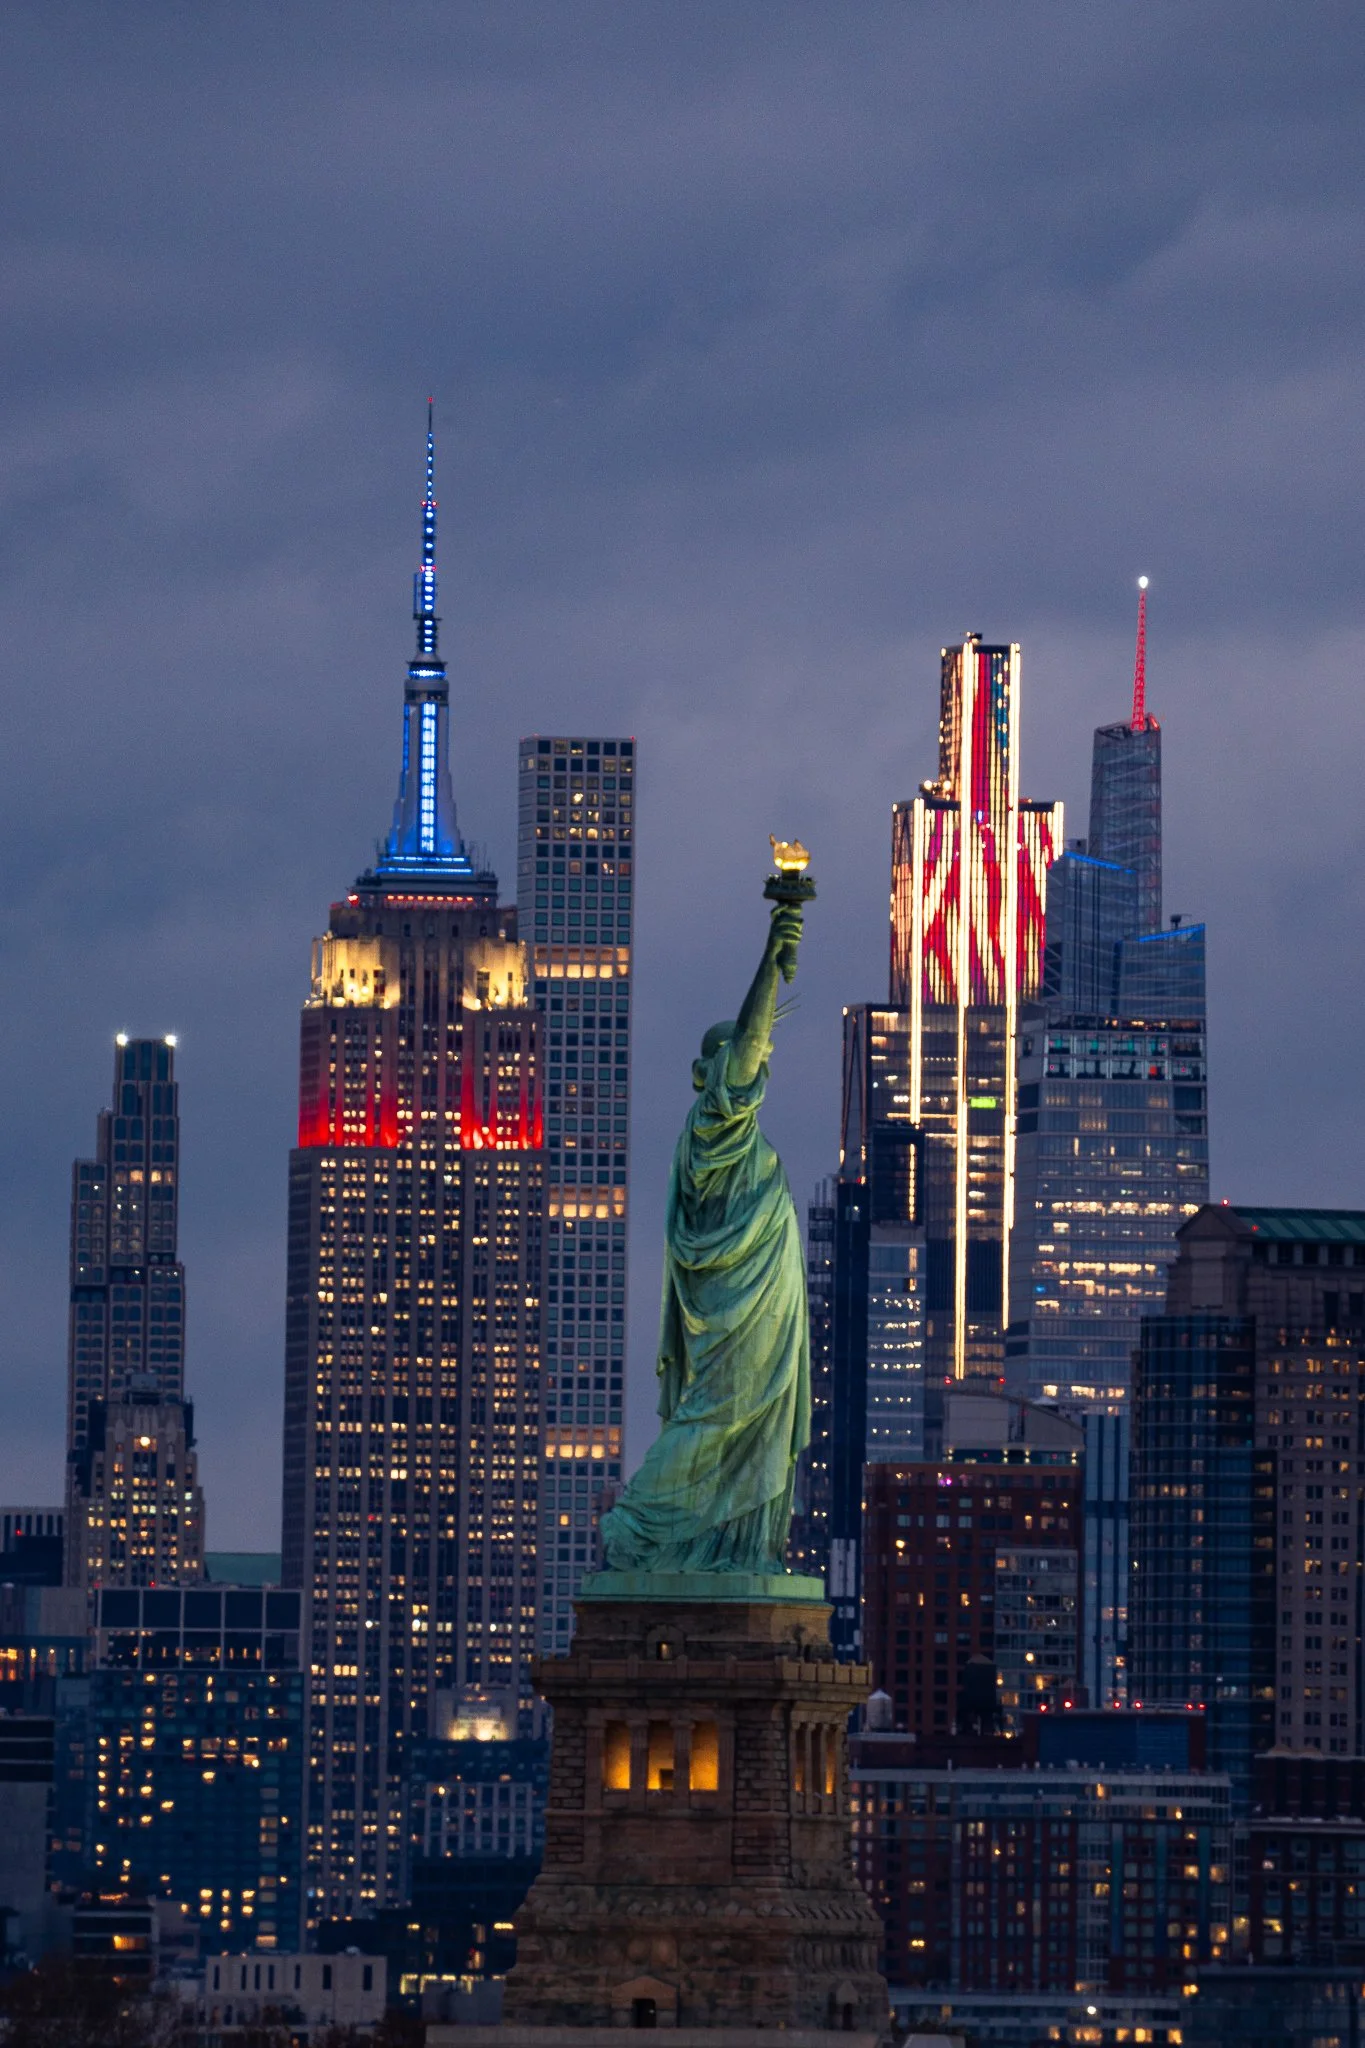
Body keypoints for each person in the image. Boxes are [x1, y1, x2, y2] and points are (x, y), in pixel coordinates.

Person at [600, 896, 810, 1575]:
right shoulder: (713, 1129)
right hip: (733, 1309)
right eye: (739, 1061)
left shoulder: (734, 1139)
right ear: (708, 1073)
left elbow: (751, 1047)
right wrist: (770, 961)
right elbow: (748, 1044)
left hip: (761, 1308)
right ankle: (638, 1523)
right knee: (717, 1415)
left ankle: (734, 1547)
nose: (755, 1066)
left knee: (747, 1426)